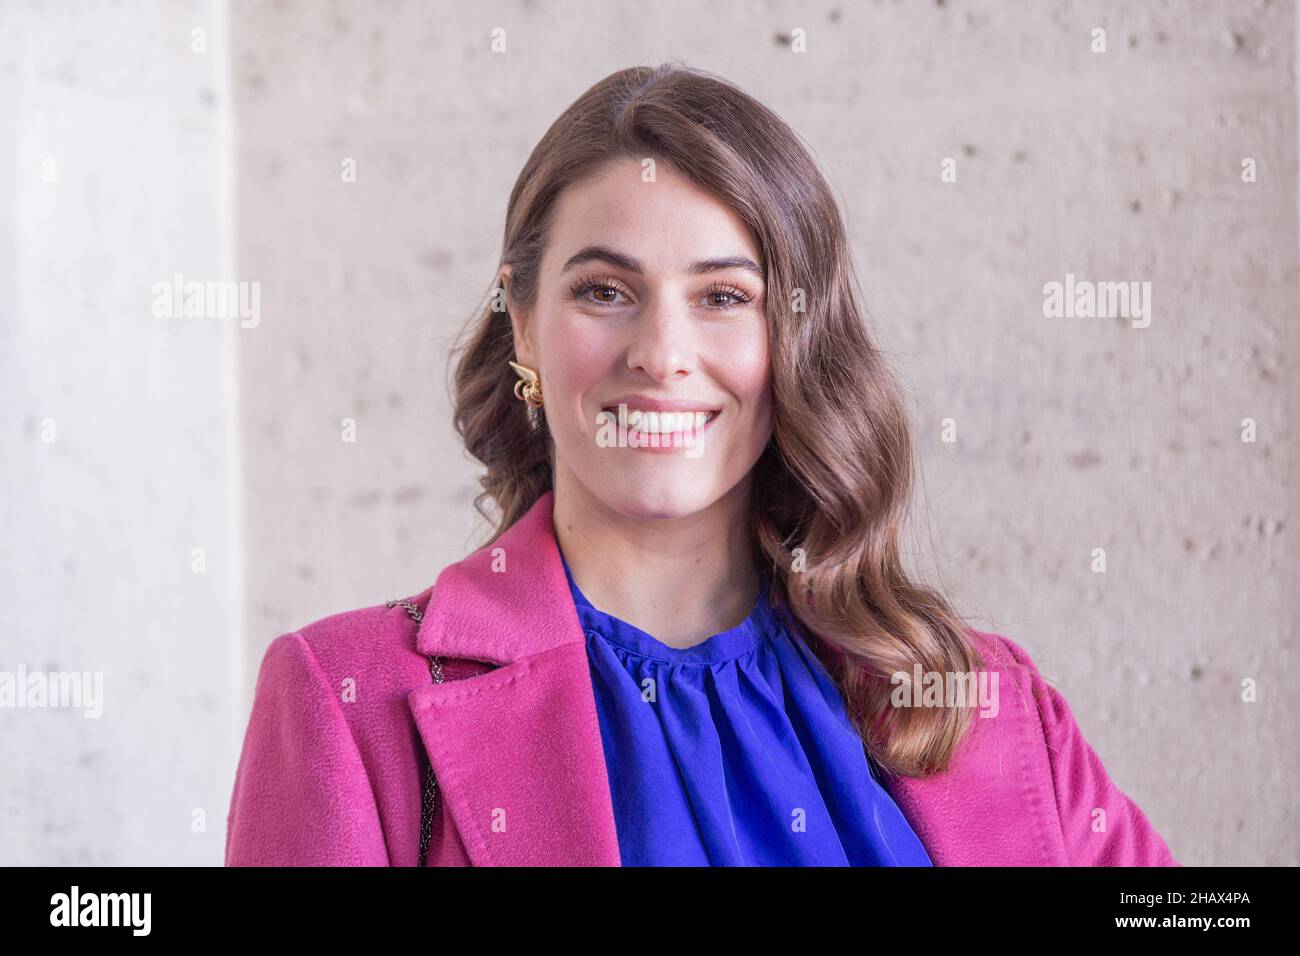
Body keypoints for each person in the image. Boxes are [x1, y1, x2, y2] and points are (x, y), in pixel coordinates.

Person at [224, 62, 1178, 867]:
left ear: (796, 335)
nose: (662, 352)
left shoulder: (978, 697)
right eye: (605, 290)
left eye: (724, 296)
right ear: (521, 323)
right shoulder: (348, 702)